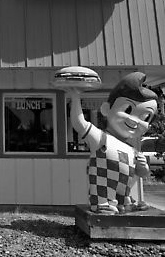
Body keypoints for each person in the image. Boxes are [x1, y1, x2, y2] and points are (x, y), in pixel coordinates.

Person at [68, 72, 158, 214]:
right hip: (103, 191)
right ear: (106, 109)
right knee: (103, 185)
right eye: (128, 110)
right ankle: (101, 204)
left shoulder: (132, 149)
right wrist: (75, 96)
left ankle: (125, 202)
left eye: (145, 117)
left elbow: (142, 173)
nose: (134, 120)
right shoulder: (101, 138)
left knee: (124, 190)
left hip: (124, 191)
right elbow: (80, 124)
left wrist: (143, 166)